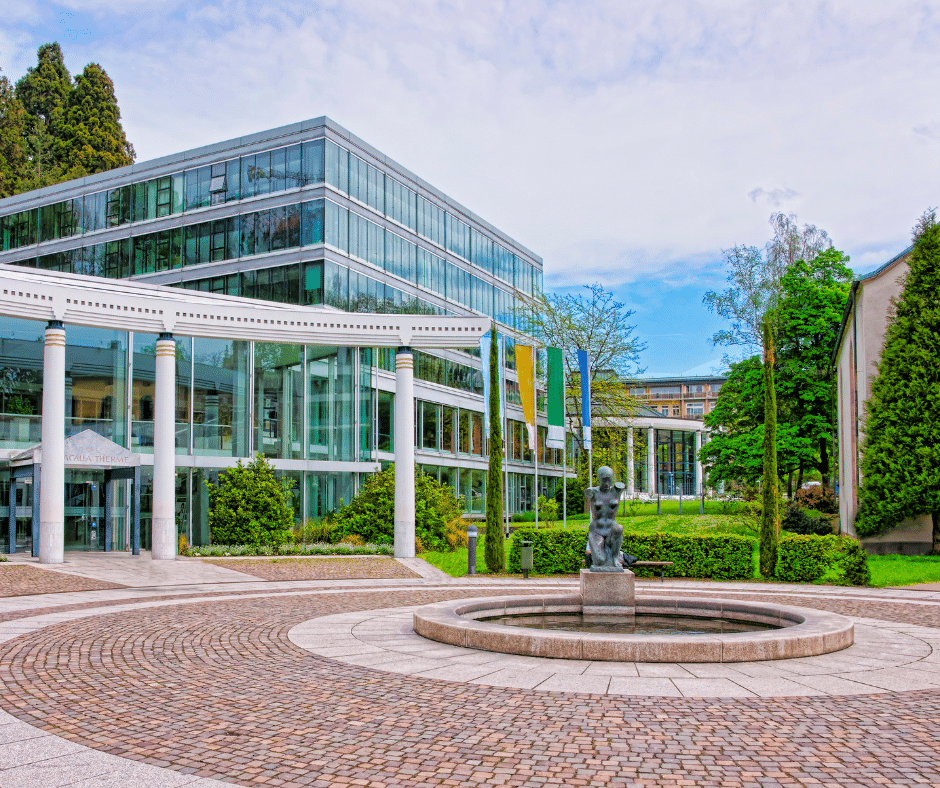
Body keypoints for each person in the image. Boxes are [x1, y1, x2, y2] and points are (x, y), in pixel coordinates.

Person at [586, 466, 625, 571]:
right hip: (596, 530)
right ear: (598, 479)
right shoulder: (593, 492)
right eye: (604, 480)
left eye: (609, 480)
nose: (607, 483)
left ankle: (615, 557)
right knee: (600, 561)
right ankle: (602, 558)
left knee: (619, 528)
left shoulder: (617, 490)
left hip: (611, 530)